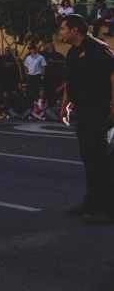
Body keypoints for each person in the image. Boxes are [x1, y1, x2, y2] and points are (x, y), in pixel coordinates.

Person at [58, 14, 114, 225]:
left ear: (75, 30)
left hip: (100, 110)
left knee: (101, 160)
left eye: (63, 28)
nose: (60, 32)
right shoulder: (73, 52)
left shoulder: (97, 49)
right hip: (83, 110)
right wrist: (64, 107)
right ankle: (91, 202)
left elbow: (112, 75)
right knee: (88, 156)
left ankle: (107, 209)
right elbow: (70, 82)